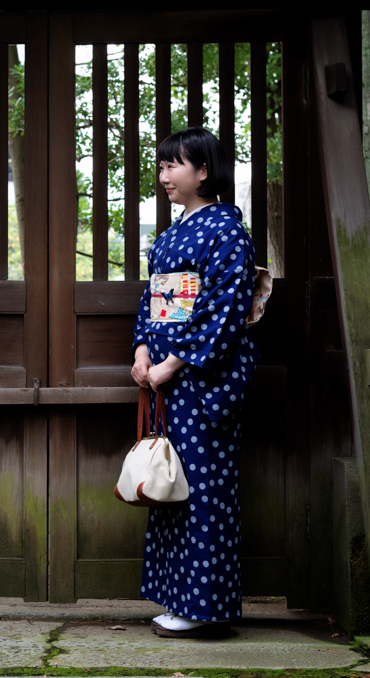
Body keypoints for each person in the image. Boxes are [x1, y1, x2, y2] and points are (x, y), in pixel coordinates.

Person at [130, 127, 260, 639]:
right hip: (168, 378)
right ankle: (179, 598)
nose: (164, 175)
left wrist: (173, 362)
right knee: (171, 487)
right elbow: (152, 301)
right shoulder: (169, 236)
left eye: (173, 165)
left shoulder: (228, 233)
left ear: (203, 171)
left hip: (204, 381)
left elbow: (223, 310)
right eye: (162, 166)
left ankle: (205, 606)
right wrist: (142, 351)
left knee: (204, 488)